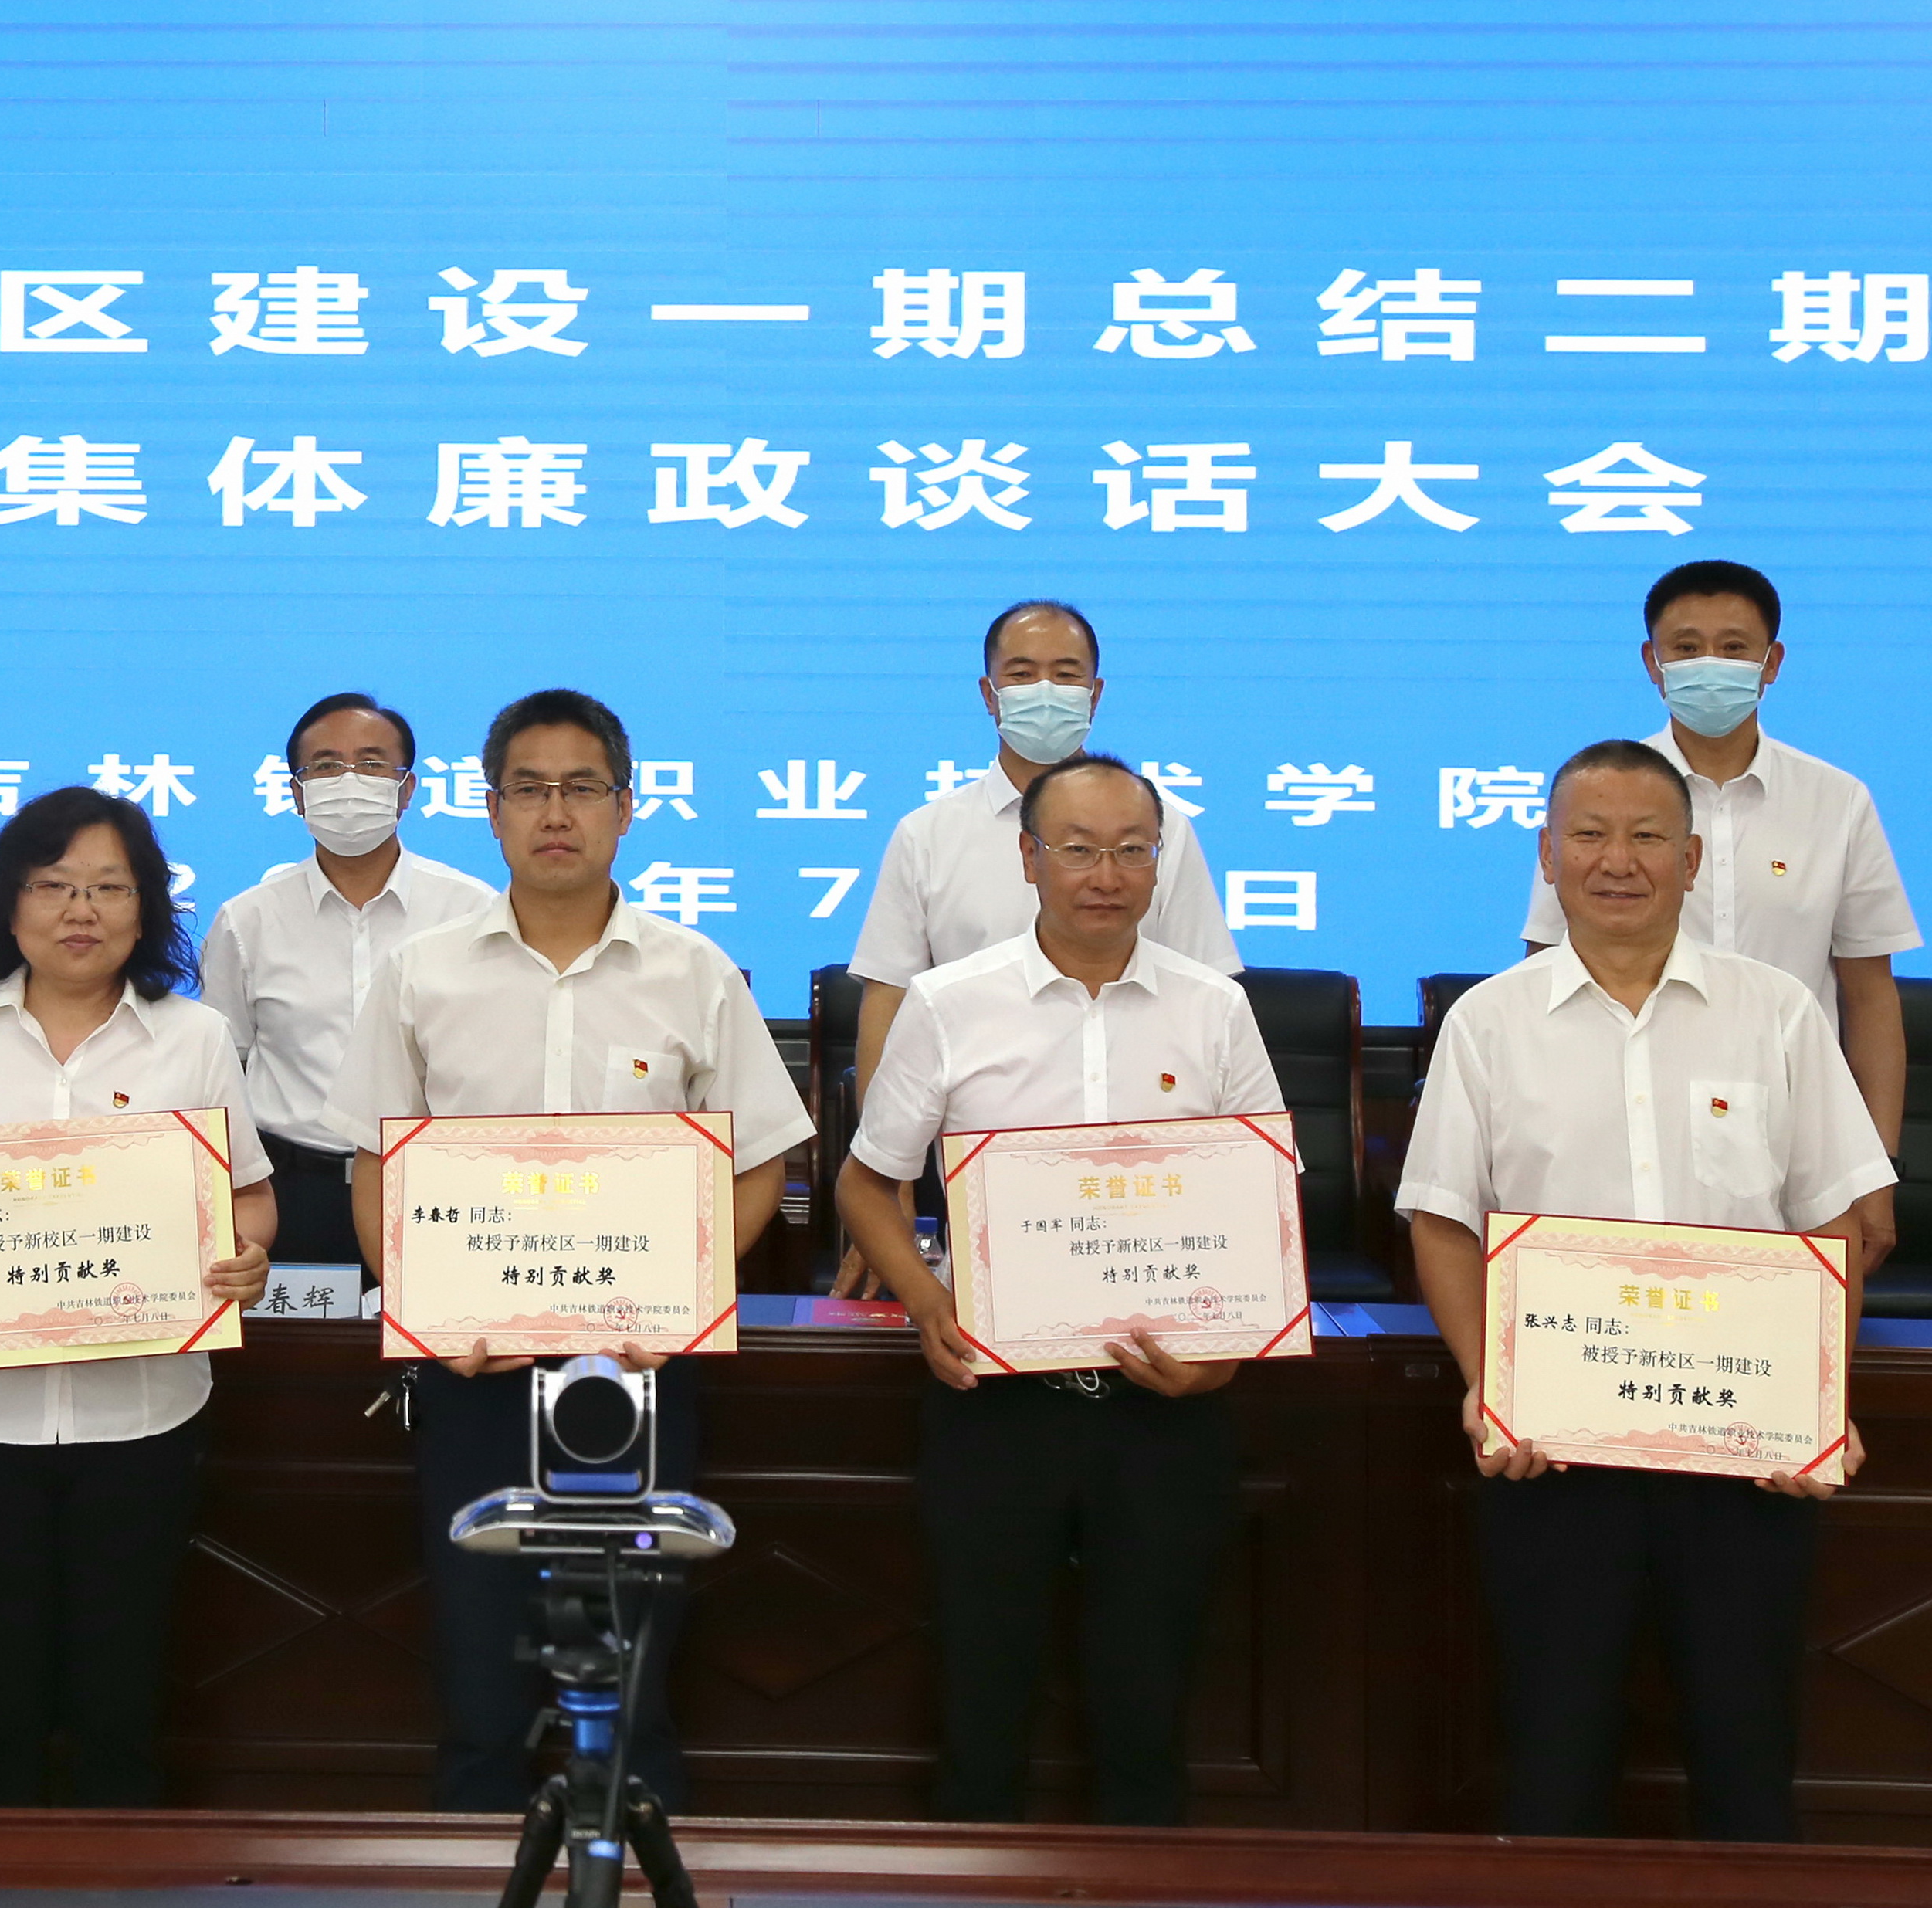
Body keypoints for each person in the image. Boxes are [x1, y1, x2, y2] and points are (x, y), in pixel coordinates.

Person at [327, 688, 814, 1813]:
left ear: (626, 809)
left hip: (638, 1373)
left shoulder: (694, 970)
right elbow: (375, 1165)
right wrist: (426, 1311)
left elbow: (759, 1167)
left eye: (582, 788)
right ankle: (475, 1869)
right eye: (530, 789)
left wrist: (683, 1302)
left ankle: (636, 1870)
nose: (557, 813)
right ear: (490, 810)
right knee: (478, 1683)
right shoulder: (422, 973)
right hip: (473, 1374)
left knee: (634, 1684)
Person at [1405, 737, 1892, 1843]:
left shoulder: (1776, 1011)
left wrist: (1816, 1402)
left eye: (1645, 837)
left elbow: (1830, 1218)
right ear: (1547, 857)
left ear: (1692, 858)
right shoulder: (1488, 1021)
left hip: (1743, 1453)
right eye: (1588, 835)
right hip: (1553, 1453)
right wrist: (1490, 1386)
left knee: (1746, 1755)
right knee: (1552, 1756)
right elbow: (1441, 1220)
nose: (1616, 861)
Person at [836, 753, 1283, 1826]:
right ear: (1028, 858)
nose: (1106, 875)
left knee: (1147, 1709)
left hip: (1164, 1404)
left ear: (1160, 864)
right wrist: (929, 1304)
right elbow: (865, 1180)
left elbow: (1263, 1193)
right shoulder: (950, 1003)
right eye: (1078, 850)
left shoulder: (1213, 1008)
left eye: (1132, 851)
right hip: (997, 1404)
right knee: (982, 1698)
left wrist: (1225, 1357)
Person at [0, 785, 276, 1805]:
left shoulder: (194, 1038)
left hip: (142, 1415)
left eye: (108, 888)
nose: (80, 910)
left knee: (119, 1699)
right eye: (53, 886)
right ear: (10, 905)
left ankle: (117, 1872)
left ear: (145, 909)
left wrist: (249, 1257)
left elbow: (249, 1198)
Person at [1520, 560, 1919, 1270]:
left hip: (1796, 1129)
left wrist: (1877, 1164)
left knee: (1779, 1327)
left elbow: (1870, 996)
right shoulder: (1599, 795)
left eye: (1734, 648)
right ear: (1653, 662)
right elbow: (1544, 976)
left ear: (1772, 663)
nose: (1710, 665)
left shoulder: (1836, 801)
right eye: (1686, 647)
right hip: (1619, 1120)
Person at [840, 600, 1239, 1288]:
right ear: (989, 694)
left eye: (1066, 673)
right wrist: (893, 1187)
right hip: (986, 1175)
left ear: (1095, 693)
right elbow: (887, 1008)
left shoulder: (1161, 830)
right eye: (1023, 675)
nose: (1045, 691)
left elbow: (1209, 997)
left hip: (1145, 1185)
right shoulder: (929, 835)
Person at [198, 692, 495, 1276]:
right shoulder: (247, 920)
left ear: (406, 789)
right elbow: (222, 1069)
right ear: (297, 793)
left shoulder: (470, 910)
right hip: (292, 1194)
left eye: (372, 763)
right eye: (326, 766)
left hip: (436, 1191)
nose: (349, 781)